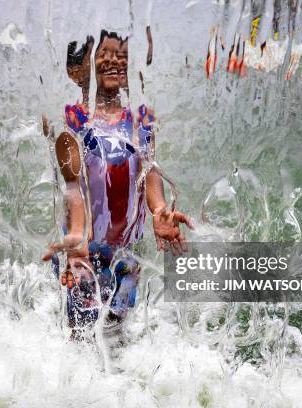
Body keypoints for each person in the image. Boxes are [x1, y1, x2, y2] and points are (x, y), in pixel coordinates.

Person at [42, 30, 192, 340]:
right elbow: (74, 185)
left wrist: (160, 209)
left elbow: (148, 172)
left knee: (117, 337)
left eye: (122, 55)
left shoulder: (141, 119)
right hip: (82, 249)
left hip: (125, 252)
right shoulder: (74, 119)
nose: (114, 60)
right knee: (80, 337)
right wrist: (79, 236)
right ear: (82, 68)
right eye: (104, 54)